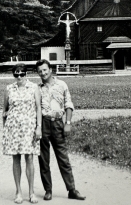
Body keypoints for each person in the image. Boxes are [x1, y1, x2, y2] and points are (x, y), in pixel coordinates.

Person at [35, 59, 86, 201]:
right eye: (40, 71)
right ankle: (48, 190)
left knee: (63, 158)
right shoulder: (37, 89)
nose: (43, 73)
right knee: (43, 160)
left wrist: (68, 123)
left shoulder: (62, 84)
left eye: (45, 70)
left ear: (50, 70)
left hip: (57, 124)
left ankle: (72, 190)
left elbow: (68, 104)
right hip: (43, 124)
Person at [2, 63, 42, 204]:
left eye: (22, 73)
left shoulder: (34, 88)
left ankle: (31, 192)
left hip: (29, 127)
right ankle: (18, 191)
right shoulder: (9, 89)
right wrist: (5, 129)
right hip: (13, 128)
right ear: (14, 75)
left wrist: (39, 127)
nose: (19, 76)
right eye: (16, 74)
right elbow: (5, 110)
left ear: (26, 74)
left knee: (29, 158)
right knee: (16, 159)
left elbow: (38, 108)